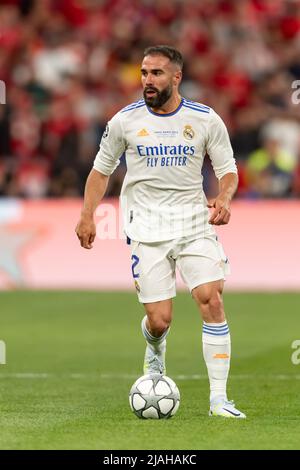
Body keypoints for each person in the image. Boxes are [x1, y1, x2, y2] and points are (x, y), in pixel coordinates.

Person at [75, 45, 246, 419]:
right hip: (146, 228)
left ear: (176, 77)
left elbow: (228, 168)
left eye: (156, 74)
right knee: (159, 320)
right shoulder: (124, 120)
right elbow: (100, 171)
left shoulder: (205, 119)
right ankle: (155, 350)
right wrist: (88, 215)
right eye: (144, 73)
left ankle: (220, 400)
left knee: (210, 299)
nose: (147, 81)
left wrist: (225, 197)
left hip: (193, 224)